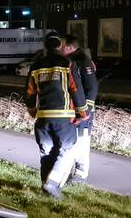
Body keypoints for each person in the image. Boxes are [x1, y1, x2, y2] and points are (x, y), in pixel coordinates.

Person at [25, 32, 89, 198]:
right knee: (65, 150)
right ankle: (52, 184)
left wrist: (32, 110)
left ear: (45, 46)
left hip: (43, 117)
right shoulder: (67, 63)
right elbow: (75, 88)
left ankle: (46, 188)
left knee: (46, 152)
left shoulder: (35, 66)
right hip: (63, 117)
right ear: (60, 45)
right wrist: (82, 112)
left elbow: (30, 92)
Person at [60, 34, 99, 185]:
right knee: (73, 141)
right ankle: (72, 173)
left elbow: (92, 88)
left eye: (62, 45)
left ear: (69, 47)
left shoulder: (83, 61)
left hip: (83, 111)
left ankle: (80, 175)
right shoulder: (74, 60)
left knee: (82, 142)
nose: (60, 48)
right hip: (75, 109)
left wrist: (86, 111)